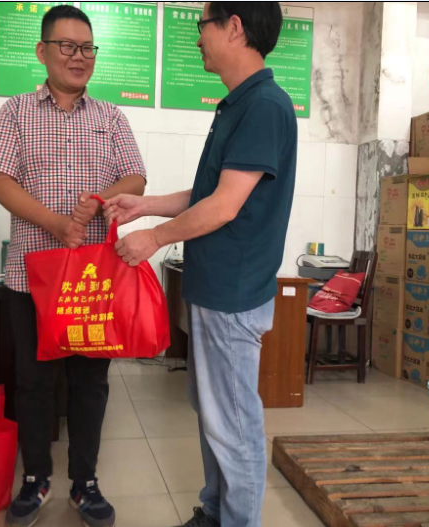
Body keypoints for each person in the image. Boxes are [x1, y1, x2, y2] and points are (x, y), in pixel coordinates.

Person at [103, 3, 294, 526]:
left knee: (234, 425)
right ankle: (215, 511)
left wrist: (153, 238)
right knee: (214, 414)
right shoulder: (238, 104)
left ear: (234, 27)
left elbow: (224, 206)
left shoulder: (264, 106)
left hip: (233, 294)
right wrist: (145, 205)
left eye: (202, 25)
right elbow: (209, 194)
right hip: (215, 288)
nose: (198, 37)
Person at [0, 5, 146, 527]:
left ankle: (85, 483)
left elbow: (135, 178)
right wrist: (53, 222)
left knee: (91, 384)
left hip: (93, 283)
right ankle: (35, 479)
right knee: (33, 383)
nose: (79, 56)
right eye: (67, 46)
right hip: (31, 279)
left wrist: (95, 201)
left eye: (87, 47)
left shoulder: (111, 117)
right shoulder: (16, 112)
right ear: (42, 51)